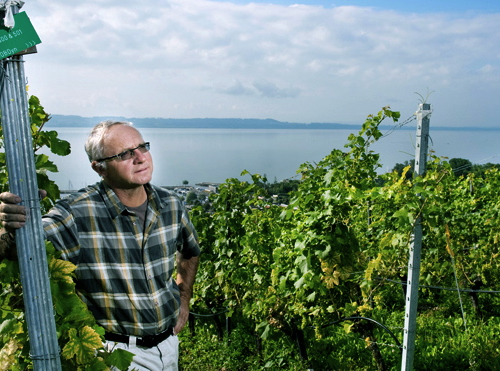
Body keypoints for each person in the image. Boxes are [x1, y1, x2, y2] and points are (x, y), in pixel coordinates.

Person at [0, 120, 201, 370]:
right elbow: (17, 250)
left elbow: (190, 252)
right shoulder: (76, 213)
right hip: (117, 356)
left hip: (169, 346)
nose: (140, 158)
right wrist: (10, 226)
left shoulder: (171, 204)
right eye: (125, 153)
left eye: (142, 147)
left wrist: (184, 298)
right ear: (100, 168)